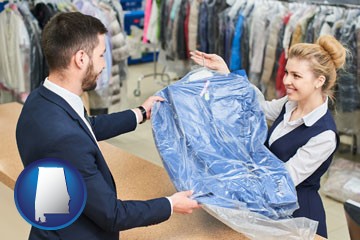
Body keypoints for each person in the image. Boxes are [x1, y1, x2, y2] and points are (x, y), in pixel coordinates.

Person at [16, 12, 199, 240]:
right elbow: (112, 215)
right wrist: (170, 204)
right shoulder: (65, 140)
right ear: (81, 58)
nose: (104, 65)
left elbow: (85, 126)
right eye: (102, 55)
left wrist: (140, 113)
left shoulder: (40, 100)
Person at [190, 35, 347, 238]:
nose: (287, 81)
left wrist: (230, 183)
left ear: (319, 81)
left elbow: (284, 180)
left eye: (296, 76)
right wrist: (226, 73)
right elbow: (259, 106)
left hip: (297, 218)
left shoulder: (324, 134)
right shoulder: (290, 104)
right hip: (269, 207)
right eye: (287, 73)